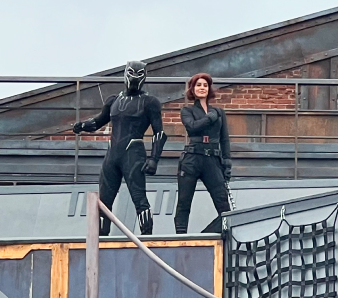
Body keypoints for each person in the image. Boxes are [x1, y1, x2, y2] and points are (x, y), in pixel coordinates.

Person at [72, 60, 166, 235]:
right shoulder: (114, 100)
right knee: (104, 200)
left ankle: (147, 239)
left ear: (144, 77)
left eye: (139, 74)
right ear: (125, 74)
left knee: (139, 198)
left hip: (133, 154)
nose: (135, 78)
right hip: (113, 155)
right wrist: (82, 126)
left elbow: (159, 133)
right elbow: (100, 120)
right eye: (132, 73)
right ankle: (100, 240)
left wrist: (154, 159)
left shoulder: (149, 102)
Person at [175, 72, 232, 233]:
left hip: (212, 159)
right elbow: (192, 127)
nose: (202, 88)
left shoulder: (219, 112)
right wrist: (210, 118)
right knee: (184, 202)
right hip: (192, 158)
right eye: (198, 85)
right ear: (193, 89)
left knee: (222, 202)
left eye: (205, 85)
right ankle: (180, 239)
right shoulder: (187, 110)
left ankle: (221, 236)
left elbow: (224, 139)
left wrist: (227, 161)